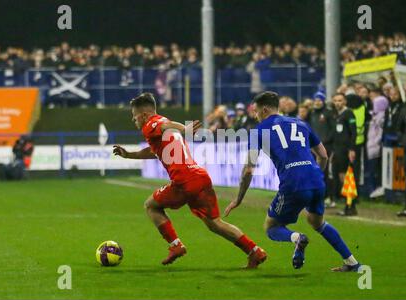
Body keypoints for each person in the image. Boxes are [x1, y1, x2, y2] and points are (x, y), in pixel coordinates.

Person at [113, 92, 267, 267]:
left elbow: (166, 125)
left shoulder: (151, 124)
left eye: (134, 118)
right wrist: (129, 155)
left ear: (144, 115)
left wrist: (184, 129)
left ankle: (175, 245)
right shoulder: (160, 128)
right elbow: (153, 150)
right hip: (200, 177)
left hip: (183, 182)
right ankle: (255, 251)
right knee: (215, 223)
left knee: (151, 206)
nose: (134, 122)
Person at [225, 91, 361, 272]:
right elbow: (323, 155)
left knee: (272, 226)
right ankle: (352, 262)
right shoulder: (300, 122)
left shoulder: (259, 131)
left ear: (264, 110)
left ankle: (297, 238)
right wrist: (314, 176)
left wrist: (239, 199)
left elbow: (249, 169)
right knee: (317, 222)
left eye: (256, 112)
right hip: (316, 179)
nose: (256, 116)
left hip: (293, 182)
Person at [331, 93, 357, 216]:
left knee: (346, 177)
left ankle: (350, 205)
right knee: (341, 176)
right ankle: (348, 205)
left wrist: (352, 149)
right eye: (335, 100)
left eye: (340, 100)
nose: (337, 103)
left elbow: (354, 132)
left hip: (345, 150)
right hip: (337, 150)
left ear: (345, 101)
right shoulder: (337, 114)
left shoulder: (349, 113)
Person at [309, 91, 336, 208]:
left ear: (323, 101)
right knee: (316, 172)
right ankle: (318, 196)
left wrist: (325, 141)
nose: (317, 102)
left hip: (326, 148)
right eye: (316, 100)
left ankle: (329, 198)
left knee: (326, 172)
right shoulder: (313, 114)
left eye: (319, 100)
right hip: (314, 149)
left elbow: (333, 129)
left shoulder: (328, 113)